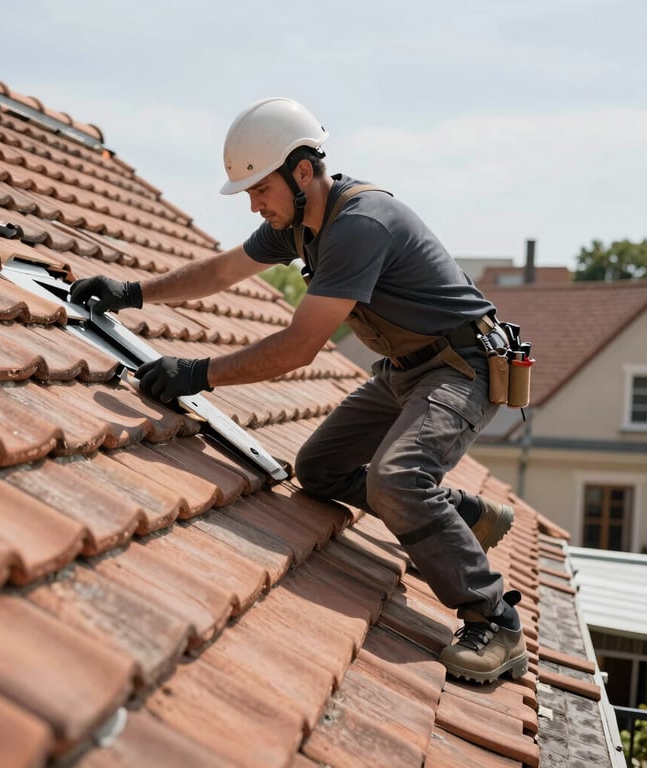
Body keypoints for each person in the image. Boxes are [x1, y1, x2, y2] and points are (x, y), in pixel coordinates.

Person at [70, 97, 528, 684]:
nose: (256, 205)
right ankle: (464, 518)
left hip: (460, 370)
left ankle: (494, 618)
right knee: (319, 470)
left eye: (261, 189)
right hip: (404, 369)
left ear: (303, 172)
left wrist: (197, 373)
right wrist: (132, 291)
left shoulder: (358, 226)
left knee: (397, 478)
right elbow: (220, 272)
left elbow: (298, 348)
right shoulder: (301, 224)